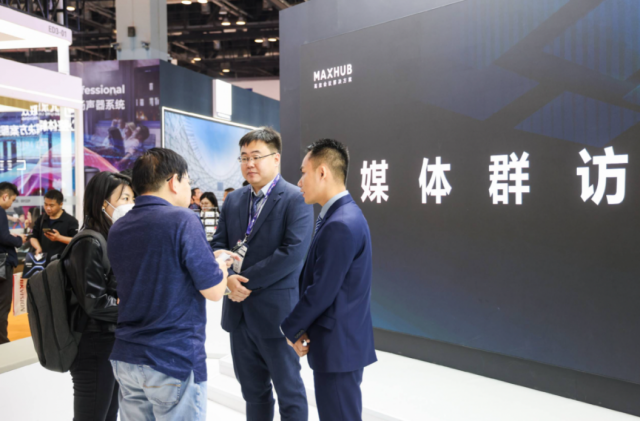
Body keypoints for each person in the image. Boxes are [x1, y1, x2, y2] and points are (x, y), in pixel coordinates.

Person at [108, 148, 237, 420]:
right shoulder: (183, 219)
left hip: (127, 356)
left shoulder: (118, 227)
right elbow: (214, 291)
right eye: (188, 180)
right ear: (173, 181)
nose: (190, 188)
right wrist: (222, 265)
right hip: (172, 357)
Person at [211, 127, 314, 421]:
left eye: (256, 156)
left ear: (276, 158)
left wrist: (242, 283)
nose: (249, 164)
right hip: (238, 315)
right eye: (244, 157)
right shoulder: (234, 200)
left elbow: (292, 254)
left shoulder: (295, 198)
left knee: (290, 394)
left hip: (277, 316)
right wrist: (227, 280)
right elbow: (217, 245)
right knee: (253, 393)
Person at [281, 139, 378, 421]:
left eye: (304, 173)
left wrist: (291, 328)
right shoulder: (343, 215)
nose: (299, 182)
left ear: (322, 172)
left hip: (338, 348)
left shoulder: (340, 224)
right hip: (339, 344)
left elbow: (321, 291)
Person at [64, 171, 134, 421]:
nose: (131, 204)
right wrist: (133, 307)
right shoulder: (89, 242)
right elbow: (94, 302)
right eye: (125, 198)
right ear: (103, 203)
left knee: (109, 412)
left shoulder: (110, 238)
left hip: (110, 340)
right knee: (93, 414)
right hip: (93, 343)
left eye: (132, 198)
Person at [0, 182, 26, 344]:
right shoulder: (0, 211)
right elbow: (3, 237)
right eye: (12, 200)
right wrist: (18, 240)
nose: (11, 204)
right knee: (3, 306)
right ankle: (2, 342)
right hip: (2, 266)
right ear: (5, 196)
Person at [29, 189, 79, 263]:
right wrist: (38, 247)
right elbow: (33, 237)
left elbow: (76, 241)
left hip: (61, 263)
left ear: (60, 204)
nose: (48, 208)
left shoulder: (71, 221)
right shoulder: (41, 219)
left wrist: (59, 238)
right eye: (46, 204)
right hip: (43, 262)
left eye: (51, 205)